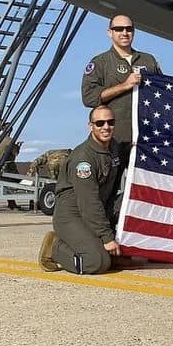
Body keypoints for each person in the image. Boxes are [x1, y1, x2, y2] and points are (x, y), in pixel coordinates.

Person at [39, 107, 123, 274]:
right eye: (100, 123)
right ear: (90, 126)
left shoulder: (114, 148)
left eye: (110, 122)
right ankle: (55, 248)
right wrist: (107, 237)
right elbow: (88, 203)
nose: (106, 127)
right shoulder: (84, 159)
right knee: (97, 262)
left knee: (132, 201)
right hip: (73, 213)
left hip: (100, 206)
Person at [80, 14, 161, 175]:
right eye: (119, 29)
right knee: (110, 188)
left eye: (129, 29)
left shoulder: (148, 60)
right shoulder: (100, 62)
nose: (124, 33)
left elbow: (163, 94)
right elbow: (88, 97)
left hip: (145, 139)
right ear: (110, 32)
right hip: (115, 139)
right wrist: (125, 85)